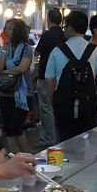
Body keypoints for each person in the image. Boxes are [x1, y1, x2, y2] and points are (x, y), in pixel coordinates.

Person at [45, 10, 97, 142]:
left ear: (71, 28)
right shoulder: (95, 50)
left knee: (65, 144)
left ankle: (68, 162)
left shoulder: (57, 51)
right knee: (91, 144)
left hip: (64, 109)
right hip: (89, 107)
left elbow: (49, 79)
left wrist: (53, 101)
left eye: (65, 26)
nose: (65, 30)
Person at [0, 18, 34, 155]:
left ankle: (26, 156)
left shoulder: (26, 49)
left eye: (11, 28)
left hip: (22, 93)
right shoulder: (3, 48)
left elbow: (22, 68)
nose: (7, 31)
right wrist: (5, 50)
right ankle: (14, 157)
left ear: (18, 31)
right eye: (6, 28)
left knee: (17, 128)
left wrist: (6, 71)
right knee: (9, 129)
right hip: (6, 92)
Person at [34, 8, 64, 148]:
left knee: (46, 108)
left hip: (46, 75)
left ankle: (48, 140)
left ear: (49, 20)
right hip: (61, 75)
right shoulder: (64, 35)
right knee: (56, 106)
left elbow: (37, 51)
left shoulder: (47, 35)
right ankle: (57, 136)